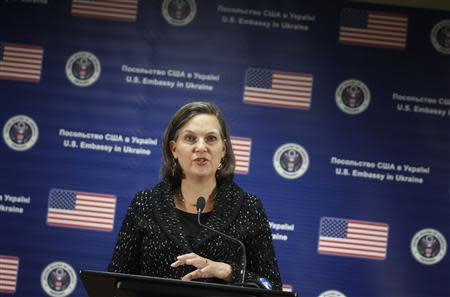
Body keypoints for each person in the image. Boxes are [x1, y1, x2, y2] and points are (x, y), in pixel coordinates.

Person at [108, 101, 282, 289]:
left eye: (211, 139)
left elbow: (272, 287)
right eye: (190, 138)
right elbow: (115, 282)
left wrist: (230, 272)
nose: (201, 147)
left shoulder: (248, 208)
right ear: (173, 149)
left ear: (223, 150)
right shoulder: (146, 204)